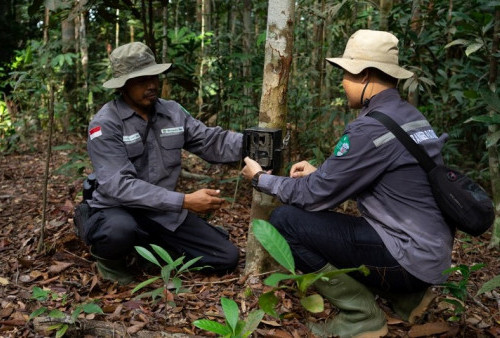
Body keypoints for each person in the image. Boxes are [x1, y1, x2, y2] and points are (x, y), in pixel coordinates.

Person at [241, 29, 453, 337]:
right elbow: (389, 183)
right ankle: (408, 298)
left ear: (365, 75)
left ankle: (361, 315)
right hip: (431, 255)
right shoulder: (408, 116)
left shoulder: (370, 129)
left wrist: (262, 179)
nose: (342, 82)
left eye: (345, 74)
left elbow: (314, 197)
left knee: (285, 221)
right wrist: (322, 174)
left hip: (408, 258)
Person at [83, 42, 242, 285]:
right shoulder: (105, 123)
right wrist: (185, 201)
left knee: (226, 258)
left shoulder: (173, 112)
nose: (151, 85)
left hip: (162, 210)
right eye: (141, 80)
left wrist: (254, 142)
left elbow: (212, 141)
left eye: (154, 77)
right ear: (124, 85)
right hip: (119, 209)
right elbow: (119, 186)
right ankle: (110, 261)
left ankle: (150, 247)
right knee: (118, 231)